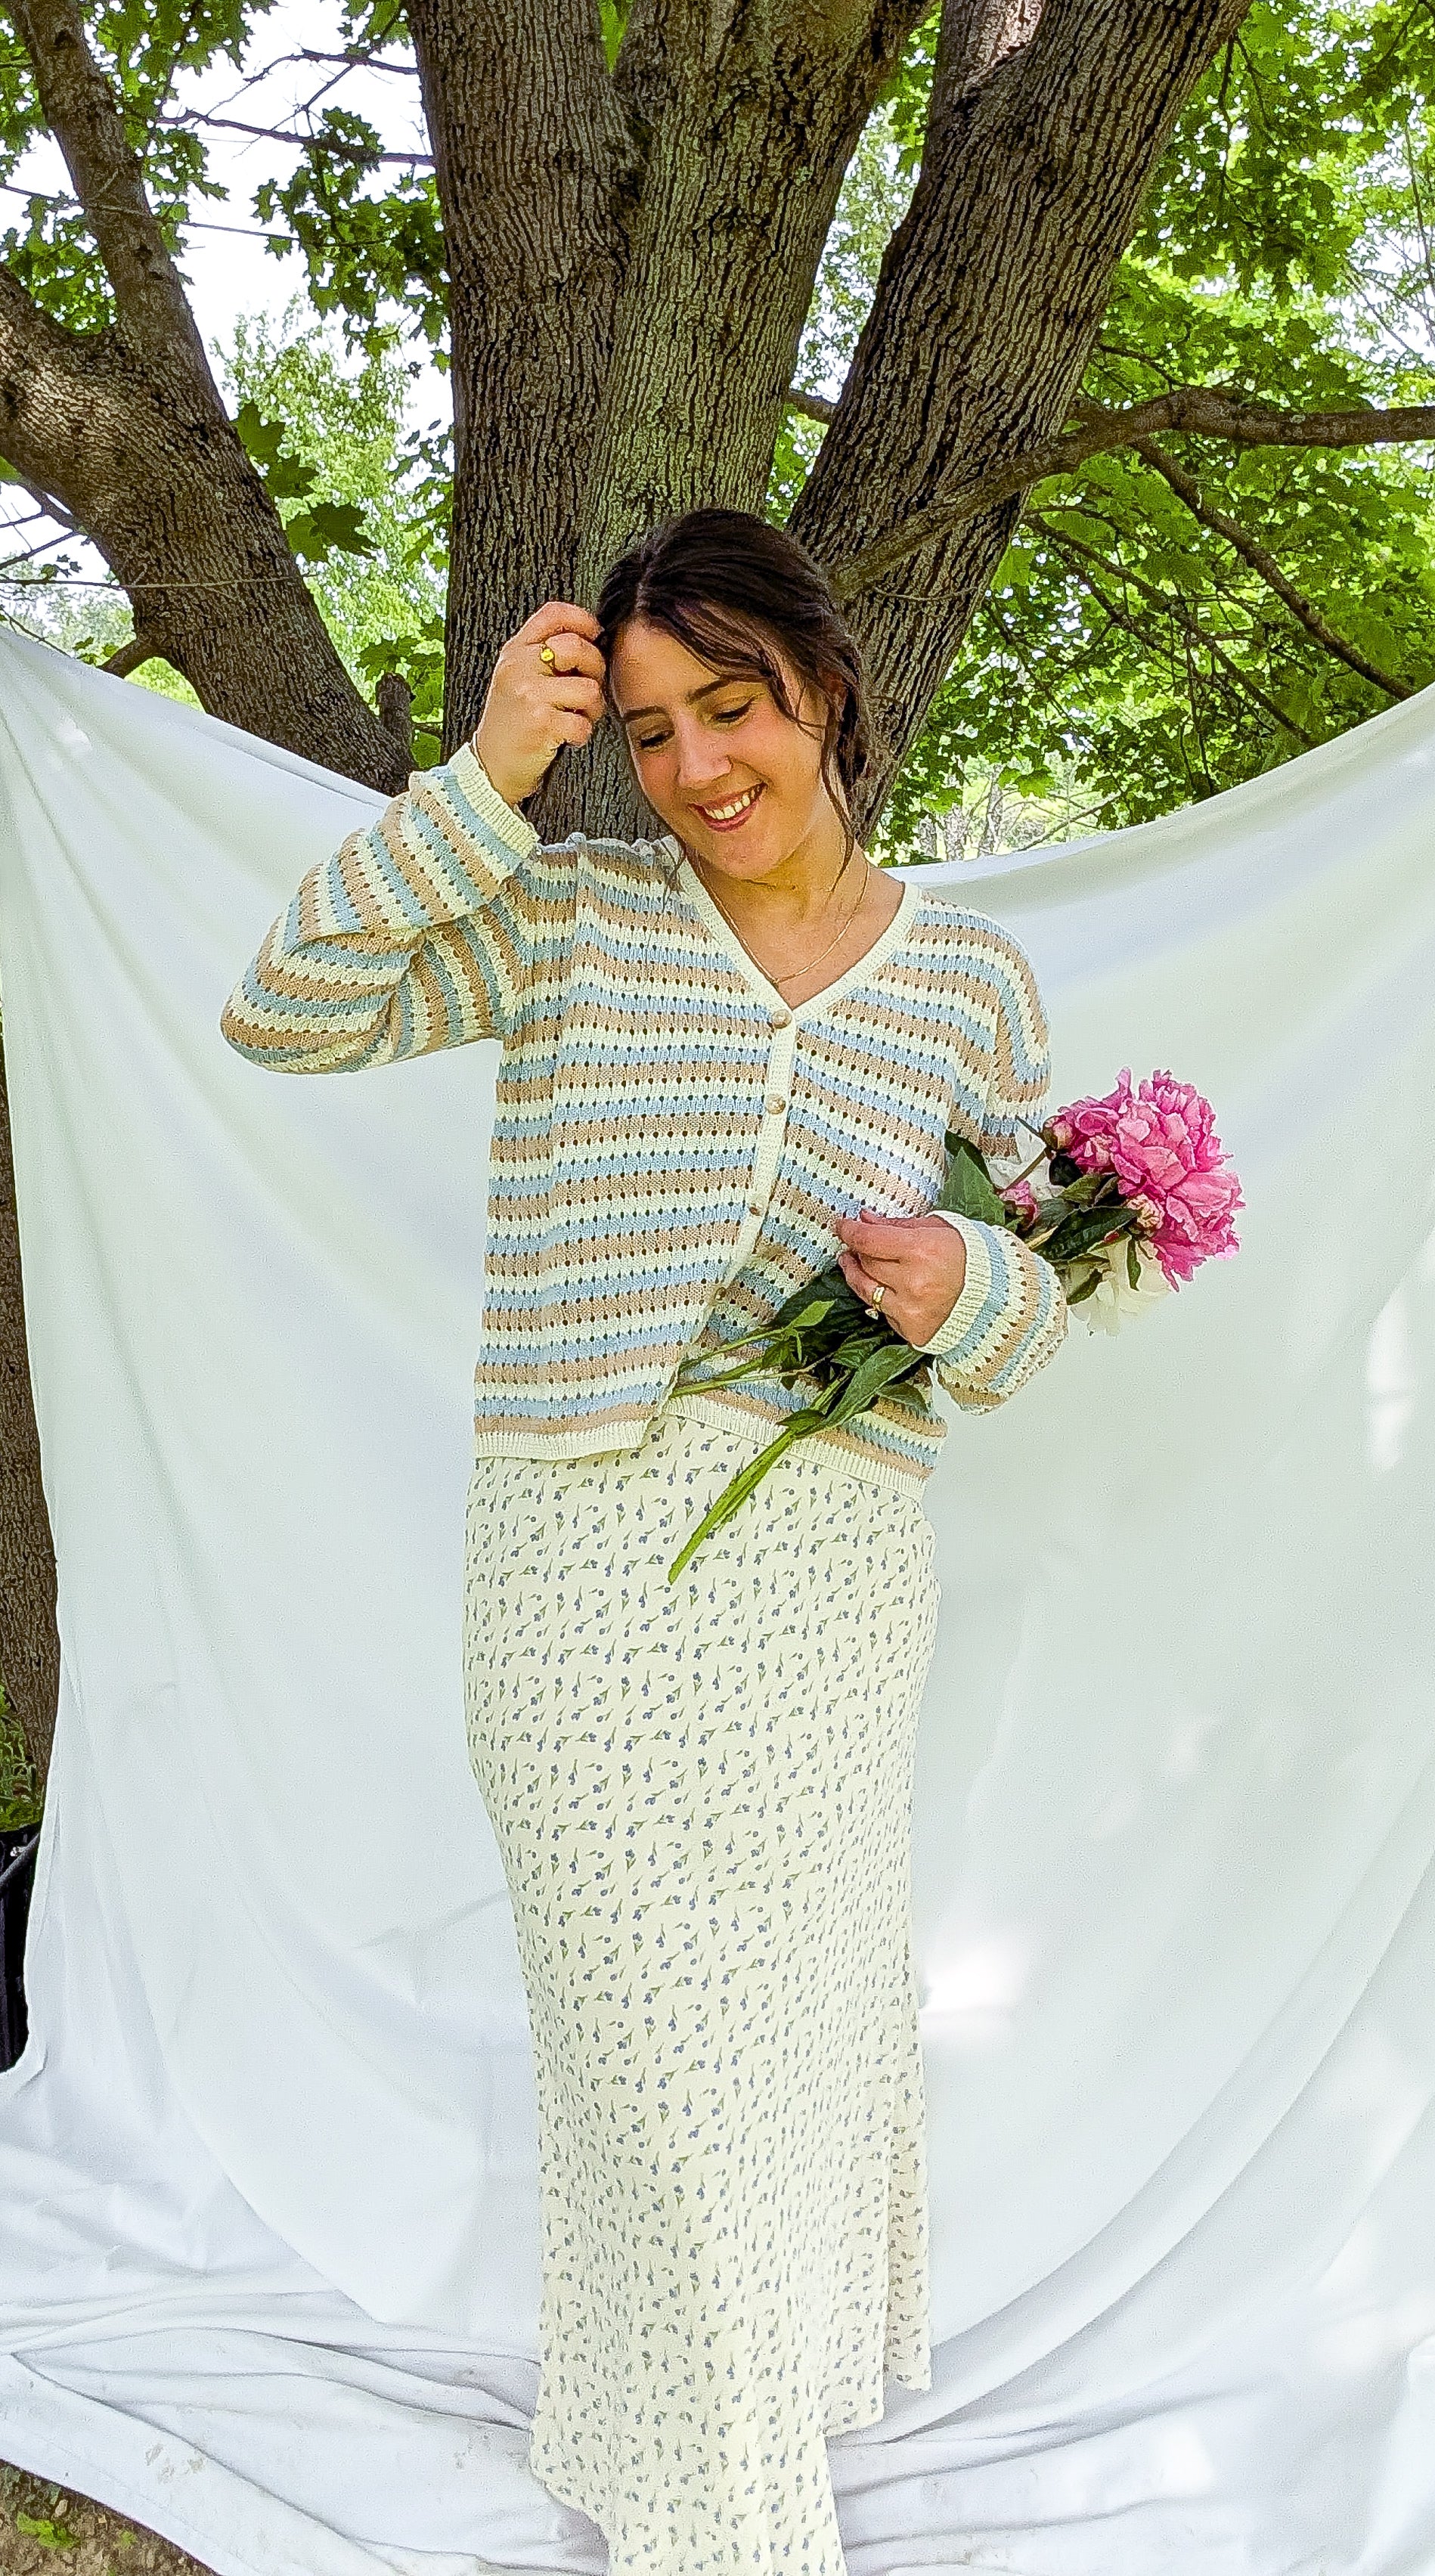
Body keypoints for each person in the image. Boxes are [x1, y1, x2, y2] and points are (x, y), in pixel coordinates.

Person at [220, 507, 1070, 2575]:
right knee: (636, 2026)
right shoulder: (570, 913)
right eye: (657, 728)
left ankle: (672, 2418)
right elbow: (286, 1009)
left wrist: (970, 1288)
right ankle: (734, 2522)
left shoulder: (963, 975)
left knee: (781, 2024)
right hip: (579, 1550)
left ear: (824, 690)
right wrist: (490, 778)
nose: (700, 767)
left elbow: (1055, 1291)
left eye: (737, 707)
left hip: (831, 1575)